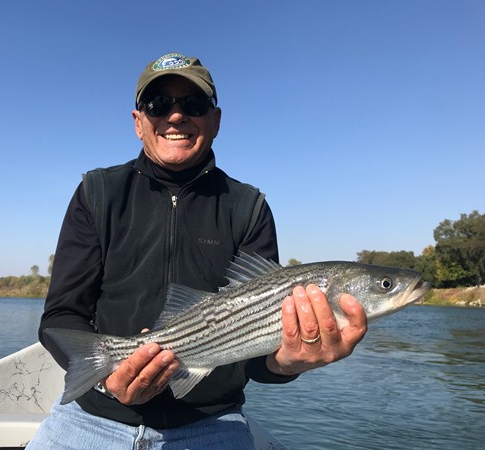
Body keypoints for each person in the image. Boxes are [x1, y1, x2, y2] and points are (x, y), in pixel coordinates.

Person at [26, 52, 367, 449]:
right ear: (138, 123)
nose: (175, 116)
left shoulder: (249, 207)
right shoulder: (97, 193)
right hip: (92, 418)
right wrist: (105, 378)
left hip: (212, 423)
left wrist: (288, 362)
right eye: (159, 105)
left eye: (193, 104)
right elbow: (61, 317)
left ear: (216, 120)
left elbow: (258, 351)